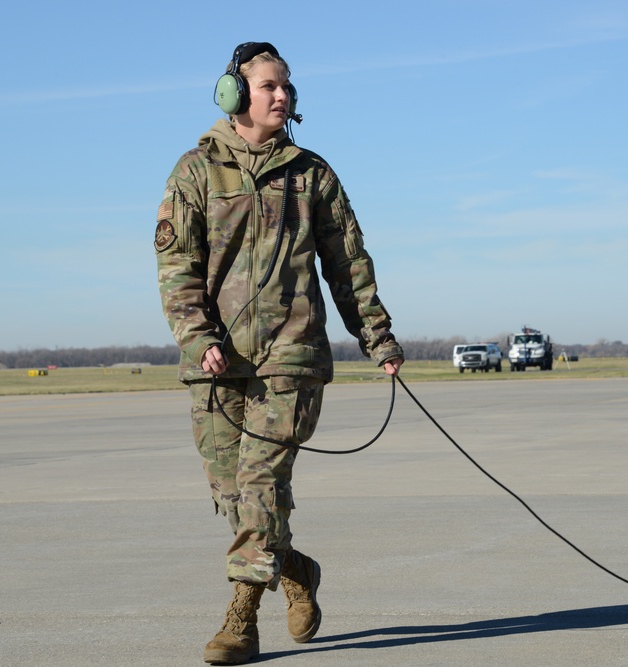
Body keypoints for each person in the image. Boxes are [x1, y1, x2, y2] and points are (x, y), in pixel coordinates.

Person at [154, 41, 404, 665]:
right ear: (234, 93)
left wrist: (377, 338)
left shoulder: (311, 173)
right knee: (235, 496)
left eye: (287, 86)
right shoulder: (195, 171)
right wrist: (198, 338)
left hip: (292, 358)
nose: (283, 96)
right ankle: (293, 569)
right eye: (269, 86)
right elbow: (174, 266)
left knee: (261, 483)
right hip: (216, 365)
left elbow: (348, 263)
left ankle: (240, 620)